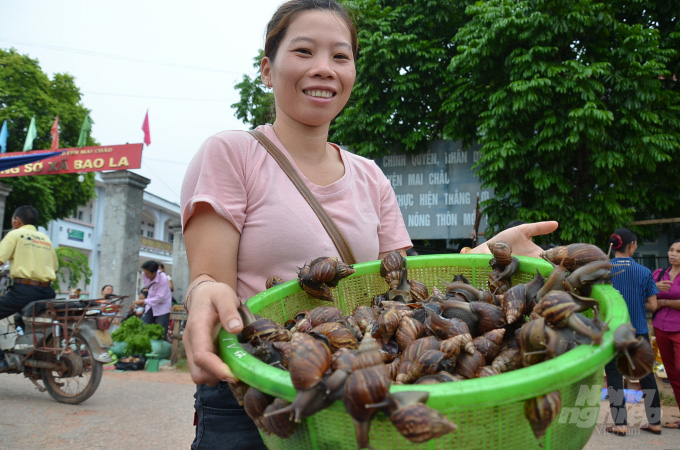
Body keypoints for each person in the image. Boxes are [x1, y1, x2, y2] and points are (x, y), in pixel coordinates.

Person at [179, 1, 559, 448]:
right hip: (257, 394)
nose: (324, 68)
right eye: (304, 51)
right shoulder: (232, 153)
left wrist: (488, 257)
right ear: (267, 70)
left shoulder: (370, 175)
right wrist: (203, 290)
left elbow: (400, 288)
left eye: (340, 57)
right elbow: (210, 280)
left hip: (351, 390)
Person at [604, 228, 662, 436]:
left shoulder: (604, 270)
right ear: (633, 245)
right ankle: (655, 422)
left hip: (613, 331)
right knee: (646, 375)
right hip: (639, 330)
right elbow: (653, 305)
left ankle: (620, 424)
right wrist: (636, 302)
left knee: (614, 374)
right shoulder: (644, 272)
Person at [0, 205, 58, 371]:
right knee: (21, 318)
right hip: (47, 292)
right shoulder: (45, 239)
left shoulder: (15, 234)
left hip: (24, 291)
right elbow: (54, 269)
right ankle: (24, 352)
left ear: (17, 221)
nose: (12, 223)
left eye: (12, 220)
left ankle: (2, 360)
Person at [652, 238, 680, 429]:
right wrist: (655, 290)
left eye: (678, 252)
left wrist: (662, 302)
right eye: (671, 250)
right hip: (660, 327)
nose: (673, 254)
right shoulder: (659, 273)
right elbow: (647, 297)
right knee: (672, 374)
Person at [137, 260, 172, 338]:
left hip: (163, 305)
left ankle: (160, 347)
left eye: (147, 274)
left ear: (154, 272)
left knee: (161, 330)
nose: (145, 275)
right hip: (151, 303)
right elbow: (147, 286)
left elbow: (160, 297)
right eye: (144, 273)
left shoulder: (163, 278)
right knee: (144, 325)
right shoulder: (144, 274)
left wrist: (144, 301)